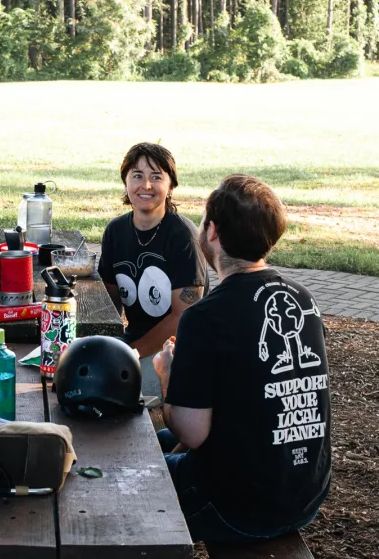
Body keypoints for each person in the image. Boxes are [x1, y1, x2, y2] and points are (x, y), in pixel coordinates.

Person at [153, 175, 331, 543]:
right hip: (304, 496)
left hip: (238, 509)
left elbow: (193, 433)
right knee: (153, 438)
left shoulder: (205, 317)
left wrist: (168, 375)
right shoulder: (303, 298)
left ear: (213, 232)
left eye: (203, 221)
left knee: (134, 469)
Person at [98, 143, 208, 399]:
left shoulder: (183, 236)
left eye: (156, 177)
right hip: (133, 344)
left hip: (177, 352)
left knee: (115, 392)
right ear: (125, 181)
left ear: (170, 186)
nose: (145, 185)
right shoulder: (115, 231)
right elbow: (108, 306)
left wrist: (131, 353)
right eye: (137, 175)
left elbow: (184, 317)